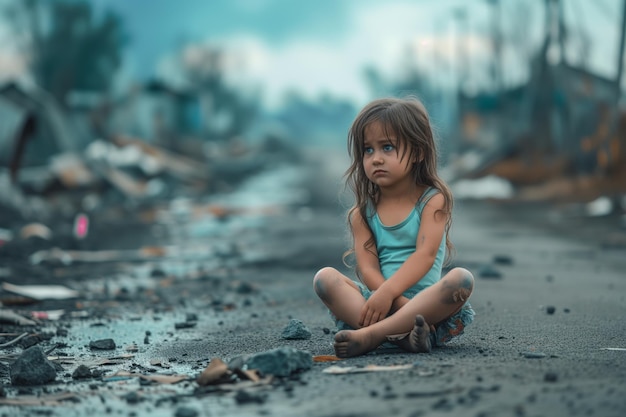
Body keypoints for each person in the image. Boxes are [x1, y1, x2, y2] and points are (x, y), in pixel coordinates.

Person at [313, 96, 475, 358]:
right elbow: (367, 268)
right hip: (379, 301)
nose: (376, 159)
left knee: (462, 280)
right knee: (324, 279)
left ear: (418, 152)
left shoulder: (432, 200)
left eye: (387, 147)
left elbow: (425, 256)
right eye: (368, 150)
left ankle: (372, 336)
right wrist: (389, 299)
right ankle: (406, 337)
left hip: (425, 305)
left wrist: (393, 295)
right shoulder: (362, 213)